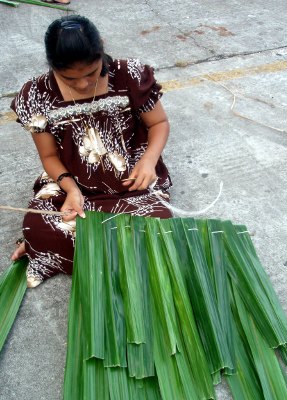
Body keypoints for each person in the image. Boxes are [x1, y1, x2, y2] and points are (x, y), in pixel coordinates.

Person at [10, 15, 173, 288]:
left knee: (155, 232)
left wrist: (148, 161)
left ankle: (59, 250)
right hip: (73, 183)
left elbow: (158, 123)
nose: (84, 84)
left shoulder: (129, 74)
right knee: (39, 228)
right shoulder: (36, 93)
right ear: (52, 65)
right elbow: (49, 157)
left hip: (132, 179)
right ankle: (43, 246)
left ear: (102, 50)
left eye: (91, 72)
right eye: (70, 78)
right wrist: (71, 191)